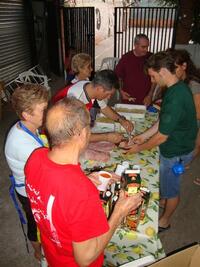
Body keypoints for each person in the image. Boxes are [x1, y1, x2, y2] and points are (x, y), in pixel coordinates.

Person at [25, 97, 142, 267]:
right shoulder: (81, 192)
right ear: (82, 133)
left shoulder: (35, 157)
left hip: (53, 255)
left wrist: (84, 179)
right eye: (89, 125)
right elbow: (85, 258)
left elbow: (50, 188)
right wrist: (119, 212)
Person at [121, 51, 198, 231]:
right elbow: (162, 122)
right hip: (179, 145)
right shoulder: (176, 88)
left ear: (163, 71)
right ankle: (165, 198)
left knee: (172, 189)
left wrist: (138, 148)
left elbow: (162, 136)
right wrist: (144, 136)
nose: (153, 81)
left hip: (176, 151)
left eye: (153, 76)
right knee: (168, 182)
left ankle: (165, 221)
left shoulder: (176, 97)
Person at [4, 84, 49, 260]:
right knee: (35, 225)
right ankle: (38, 252)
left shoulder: (26, 126)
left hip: (33, 183)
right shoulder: (23, 145)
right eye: (43, 110)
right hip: (29, 193)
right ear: (26, 115)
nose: (47, 113)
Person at [53, 69, 134, 144]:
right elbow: (76, 135)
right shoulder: (75, 99)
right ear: (100, 89)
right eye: (109, 94)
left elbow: (104, 108)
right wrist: (106, 137)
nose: (109, 97)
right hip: (56, 133)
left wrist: (121, 120)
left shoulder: (90, 87)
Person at [115, 33, 155, 106]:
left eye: (147, 47)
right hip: (128, 98)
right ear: (135, 45)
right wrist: (121, 91)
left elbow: (155, 79)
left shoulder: (151, 57)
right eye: (143, 47)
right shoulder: (126, 58)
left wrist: (150, 95)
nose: (146, 50)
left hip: (145, 99)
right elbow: (117, 77)